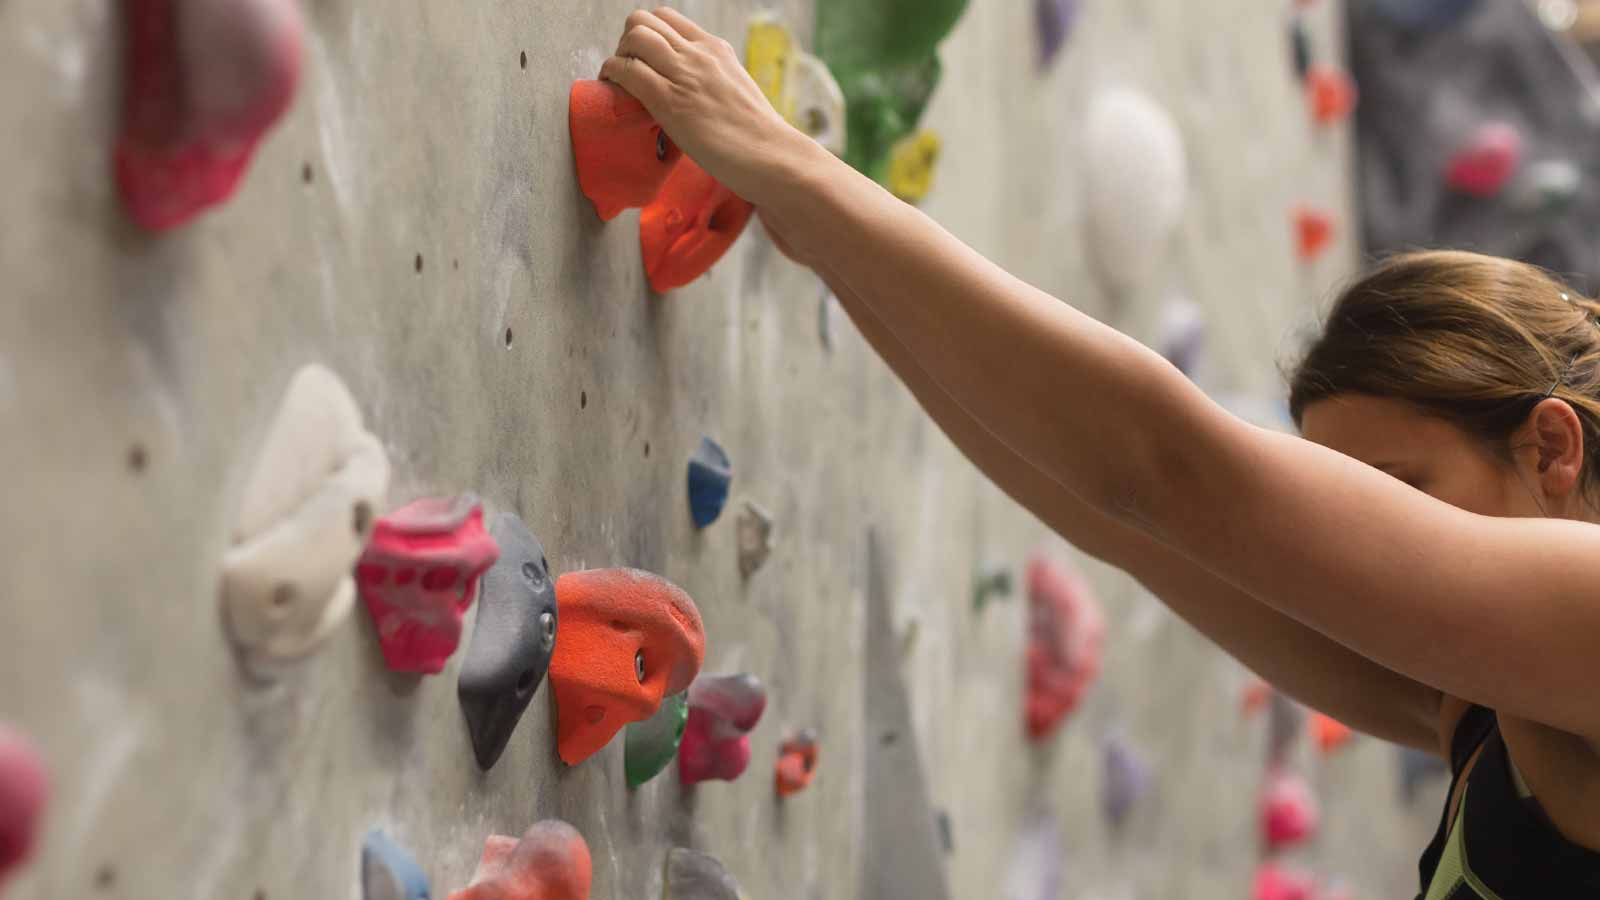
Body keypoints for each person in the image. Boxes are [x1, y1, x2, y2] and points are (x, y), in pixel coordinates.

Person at [598, 9, 1600, 895]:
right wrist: (827, 241)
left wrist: (796, 170)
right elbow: (1111, 514)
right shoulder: (1471, 707)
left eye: (1400, 492)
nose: (1367, 533)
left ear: (1550, 449)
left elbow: (1165, 473)